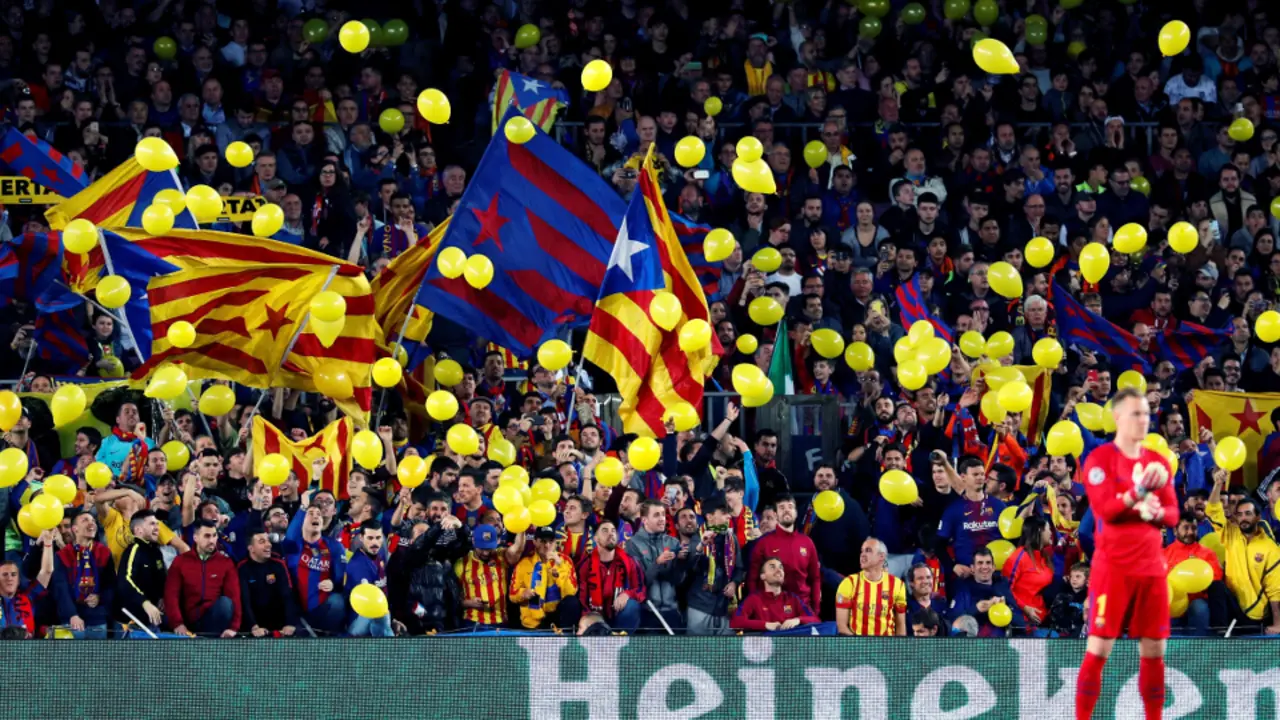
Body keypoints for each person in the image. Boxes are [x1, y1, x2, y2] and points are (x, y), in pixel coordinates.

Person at [1076, 388, 1178, 720]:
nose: (1143, 420)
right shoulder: (1099, 460)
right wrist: (1140, 494)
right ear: (1118, 417)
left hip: (1151, 568)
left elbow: (1174, 514)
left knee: (1154, 651)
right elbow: (1105, 510)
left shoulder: (1158, 462)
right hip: (1113, 568)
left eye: (1147, 413)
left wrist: (1157, 514)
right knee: (1099, 648)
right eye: (1136, 413)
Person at [1205, 468, 1280, 634]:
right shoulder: (1230, 533)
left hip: (1255, 614)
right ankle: (1220, 636)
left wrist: (1277, 624)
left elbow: (1275, 589)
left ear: (1258, 517)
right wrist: (1218, 484)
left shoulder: (1269, 547)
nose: (1243, 518)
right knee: (1216, 586)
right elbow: (1212, 511)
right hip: (1233, 605)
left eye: (1248, 514)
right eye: (1239, 514)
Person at [746, 493, 821, 614]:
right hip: (771, 611)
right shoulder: (763, 543)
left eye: (790, 507)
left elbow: (815, 579)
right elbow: (752, 579)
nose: (786, 510)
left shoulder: (807, 542)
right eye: (782, 507)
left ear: (796, 513)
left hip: (802, 609)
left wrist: (816, 609)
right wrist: (757, 608)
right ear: (776, 515)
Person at [164, 520, 241, 637]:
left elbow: (234, 597)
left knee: (225, 603)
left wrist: (233, 628)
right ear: (195, 538)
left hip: (212, 620)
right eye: (207, 536)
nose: (212, 540)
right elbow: (171, 595)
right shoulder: (180, 562)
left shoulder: (226, 563)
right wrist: (177, 623)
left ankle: (212, 644)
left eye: (214, 535)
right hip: (187, 621)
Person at [684, 498, 745, 635]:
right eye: (723, 512)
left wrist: (735, 583)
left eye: (728, 512)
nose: (728, 516)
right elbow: (688, 567)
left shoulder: (732, 538)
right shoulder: (695, 537)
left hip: (724, 607)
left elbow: (740, 568)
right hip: (700, 607)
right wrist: (701, 546)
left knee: (725, 654)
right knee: (697, 652)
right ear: (709, 516)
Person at [52, 510, 115, 639]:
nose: (91, 523)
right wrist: (72, 614)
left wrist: (99, 597)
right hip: (72, 620)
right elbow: (60, 588)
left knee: (98, 658)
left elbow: (110, 585)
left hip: (97, 619)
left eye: (93, 521)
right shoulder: (62, 555)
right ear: (75, 529)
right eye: (85, 520)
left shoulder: (104, 553)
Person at [575, 519, 646, 632]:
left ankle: (621, 641)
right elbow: (581, 597)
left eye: (613, 531)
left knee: (632, 605)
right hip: (594, 616)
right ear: (596, 538)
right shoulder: (585, 564)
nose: (611, 534)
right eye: (605, 531)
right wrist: (588, 618)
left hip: (619, 615)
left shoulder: (630, 562)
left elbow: (640, 589)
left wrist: (627, 594)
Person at [627, 500, 685, 632]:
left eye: (663, 515)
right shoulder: (632, 544)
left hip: (672, 612)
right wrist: (657, 563)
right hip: (648, 613)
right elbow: (638, 583)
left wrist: (680, 562)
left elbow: (678, 581)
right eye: (656, 515)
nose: (662, 519)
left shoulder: (673, 542)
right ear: (644, 520)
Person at [456, 523, 526, 630]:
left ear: (497, 542)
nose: (485, 553)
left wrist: (522, 526)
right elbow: (452, 599)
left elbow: (518, 549)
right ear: (474, 541)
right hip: (472, 622)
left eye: (489, 548)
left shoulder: (501, 556)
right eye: (482, 548)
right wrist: (467, 603)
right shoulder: (461, 564)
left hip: (500, 622)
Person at [510, 527, 580, 630]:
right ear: (534, 542)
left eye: (551, 541)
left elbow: (570, 592)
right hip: (533, 620)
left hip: (558, 616)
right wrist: (523, 593)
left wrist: (559, 566)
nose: (547, 545)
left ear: (556, 542)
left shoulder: (565, 561)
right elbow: (512, 595)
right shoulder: (524, 564)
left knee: (572, 602)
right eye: (542, 541)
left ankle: (565, 634)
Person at [836, 538, 907, 636]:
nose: (862, 554)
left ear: (881, 556)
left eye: (868, 550)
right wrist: (859, 647)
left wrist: (898, 649)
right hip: (858, 647)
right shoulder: (849, 583)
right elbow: (842, 627)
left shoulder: (898, 585)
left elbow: (901, 626)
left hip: (887, 648)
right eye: (862, 551)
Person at [731, 557, 820, 631]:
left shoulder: (792, 598)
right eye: (772, 567)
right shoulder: (754, 599)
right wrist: (766, 625)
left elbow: (815, 620)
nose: (779, 570)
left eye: (781, 567)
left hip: (791, 645)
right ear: (763, 576)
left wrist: (797, 620)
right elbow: (735, 622)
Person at [237, 530, 299, 637]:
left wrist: (290, 623)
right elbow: (244, 600)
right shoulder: (242, 568)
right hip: (253, 627)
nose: (269, 545)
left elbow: (287, 596)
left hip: (280, 626)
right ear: (251, 548)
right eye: (262, 542)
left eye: (268, 541)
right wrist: (253, 626)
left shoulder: (278, 564)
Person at [115, 510, 168, 630]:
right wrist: (144, 602)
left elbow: (161, 578)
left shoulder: (156, 551)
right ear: (139, 530)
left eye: (157, 524)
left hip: (154, 617)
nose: (157, 527)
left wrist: (162, 597)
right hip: (132, 620)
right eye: (152, 524)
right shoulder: (134, 550)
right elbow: (125, 581)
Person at [345, 520, 393, 637]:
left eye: (378, 538)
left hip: (379, 618)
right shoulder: (358, 564)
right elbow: (372, 606)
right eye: (370, 538)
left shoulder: (379, 557)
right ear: (361, 538)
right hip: (357, 622)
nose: (374, 542)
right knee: (378, 611)